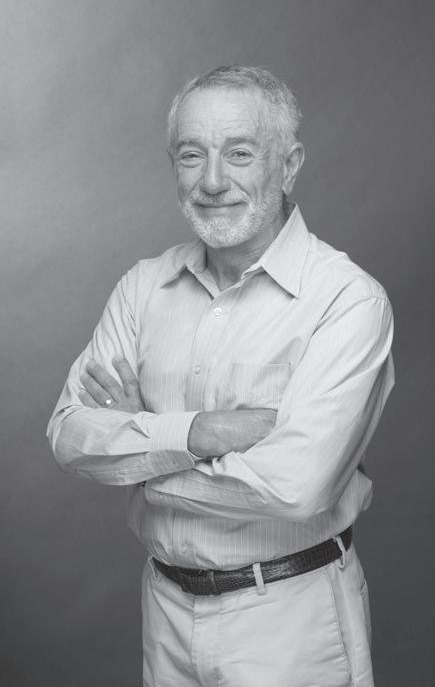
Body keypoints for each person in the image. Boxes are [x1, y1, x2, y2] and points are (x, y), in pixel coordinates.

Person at [47, 65, 395, 687]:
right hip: (165, 608)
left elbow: (296, 489)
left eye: (239, 153)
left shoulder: (347, 301)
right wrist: (202, 432)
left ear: (288, 165)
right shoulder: (142, 288)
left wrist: (142, 447)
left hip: (289, 620)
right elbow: (70, 436)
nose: (211, 181)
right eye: (192, 154)